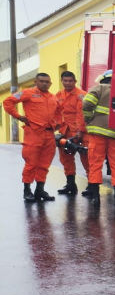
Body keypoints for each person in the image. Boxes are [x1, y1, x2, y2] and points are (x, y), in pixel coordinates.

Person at [3, 72, 59, 202]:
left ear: (50, 83)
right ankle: (27, 190)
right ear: (36, 82)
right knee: (31, 163)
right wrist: (18, 117)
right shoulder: (27, 93)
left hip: (49, 134)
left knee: (45, 164)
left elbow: (58, 112)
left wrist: (58, 123)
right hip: (34, 133)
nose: (44, 84)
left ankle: (40, 190)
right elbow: (8, 102)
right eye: (42, 81)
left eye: (47, 82)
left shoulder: (53, 98)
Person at [82, 70, 115, 207]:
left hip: (97, 133)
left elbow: (86, 104)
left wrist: (88, 118)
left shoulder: (99, 88)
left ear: (104, 79)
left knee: (95, 165)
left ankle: (96, 198)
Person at [55, 71, 89, 196]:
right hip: (65, 130)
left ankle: (92, 185)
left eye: (70, 81)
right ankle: (70, 184)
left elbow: (82, 114)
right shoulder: (58, 95)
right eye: (65, 80)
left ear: (75, 81)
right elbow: (56, 113)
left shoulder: (82, 95)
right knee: (66, 158)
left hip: (82, 132)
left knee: (86, 158)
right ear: (61, 81)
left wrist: (80, 131)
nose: (68, 83)